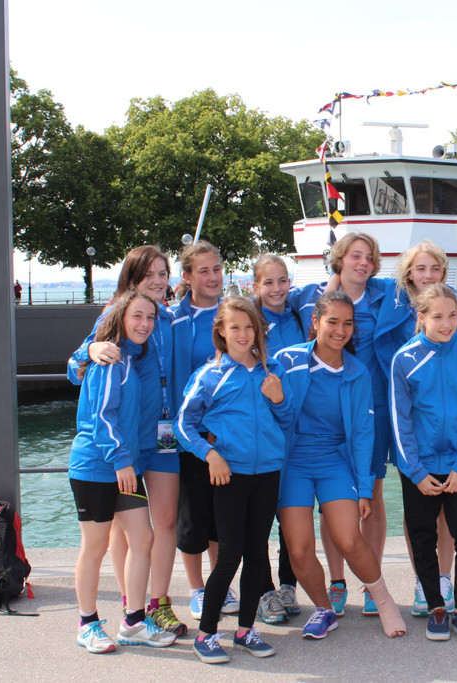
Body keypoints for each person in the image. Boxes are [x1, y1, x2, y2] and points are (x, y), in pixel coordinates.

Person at [68, 245, 187, 636]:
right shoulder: (117, 315)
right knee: (120, 531)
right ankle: (128, 605)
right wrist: (89, 350)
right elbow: (75, 368)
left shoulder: (168, 317)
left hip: (163, 434)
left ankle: (157, 604)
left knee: (163, 521)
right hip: (127, 442)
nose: (158, 280)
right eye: (149, 274)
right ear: (132, 278)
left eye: (163, 273)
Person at [275, 291, 406, 639]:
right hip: (293, 463)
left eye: (348, 323)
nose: (340, 330)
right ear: (315, 322)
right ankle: (324, 609)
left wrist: (364, 489)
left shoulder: (357, 372)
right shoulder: (287, 360)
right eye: (332, 321)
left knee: (349, 539)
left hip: (334, 460)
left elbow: (363, 435)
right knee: (298, 549)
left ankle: (383, 600)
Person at [175, 296, 294, 664]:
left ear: (258, 330)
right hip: (230, 475)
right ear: (221, 332)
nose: (243, 334)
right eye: (235, 327)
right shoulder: (210, 375)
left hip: (268, 472)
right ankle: (206, 634)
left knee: (257, 553)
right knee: (229, 555)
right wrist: (210, 455)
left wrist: (278, 399)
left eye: (249, 327)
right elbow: (183, 424)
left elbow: (288, 420)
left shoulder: (273, 371)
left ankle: (245, 631)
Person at [295, 232, 393, 617]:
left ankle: (371, 579)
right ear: (339, 258)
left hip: (371, 406)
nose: (363, 263)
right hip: (324, 413)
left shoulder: (385, 295)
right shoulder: (313, 296)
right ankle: (337, 581)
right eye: (355, 256)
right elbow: (266, 302)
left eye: (369, 257)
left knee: (372, 495)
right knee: (330, 504)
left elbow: (431, 289)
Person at [391, 284, 457, 643]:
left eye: (452, 315)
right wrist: (415, 472)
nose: (446, 323)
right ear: (421, 317)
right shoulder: (404, 358)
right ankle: (435, 606)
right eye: (437, 317)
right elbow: (400, 421)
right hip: (420, 468)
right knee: (423, 536)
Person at [372, 240, 457, 616]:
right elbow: (342, 284)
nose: (428, 275)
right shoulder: (388, 301)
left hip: (445, 423)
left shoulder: (453, 305)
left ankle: (443, 577)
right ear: (408, 273)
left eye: (435, 268)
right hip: (405, 417)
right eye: (420, 268)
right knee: (417, 508)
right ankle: (424, 579)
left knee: (445, 508)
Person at [169, 241, 241, 621]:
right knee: (191, 514)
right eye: (203, 271)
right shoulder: (171, 319)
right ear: (187, 276)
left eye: (217, 269)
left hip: (225, 436)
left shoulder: (235, 314)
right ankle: (196, 589)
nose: (213, 277)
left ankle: (220, 584)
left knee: (220, 515)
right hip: (183, 434)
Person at [250, 253, 307, 623]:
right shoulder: (249, 321)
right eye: (268, 282)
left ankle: (288, 585)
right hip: (260, 431)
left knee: (291, 512)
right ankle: (263, 591)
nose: (276, 288)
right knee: (258, 518)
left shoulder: (299, 314)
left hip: (296, 433)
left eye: (282, 280)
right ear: (256, 286)